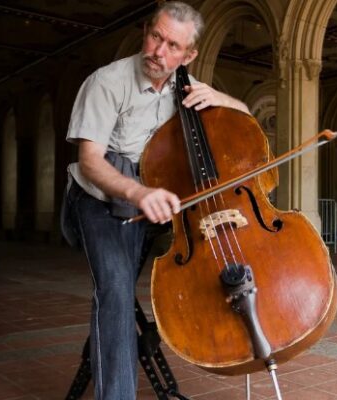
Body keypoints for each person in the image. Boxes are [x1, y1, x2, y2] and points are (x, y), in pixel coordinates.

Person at [61, 2, 249, 398]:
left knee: (132, 290)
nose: (159, 52)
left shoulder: (188, 88)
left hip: (148, 204)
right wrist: (138, 192)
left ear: (189, 54)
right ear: (146, 30)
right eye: (155, 37)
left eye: (173, 46)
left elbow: (244, 120)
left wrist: (224, 100)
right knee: (114, 288)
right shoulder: (107, 82)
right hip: (97, 199)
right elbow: (90, 162)